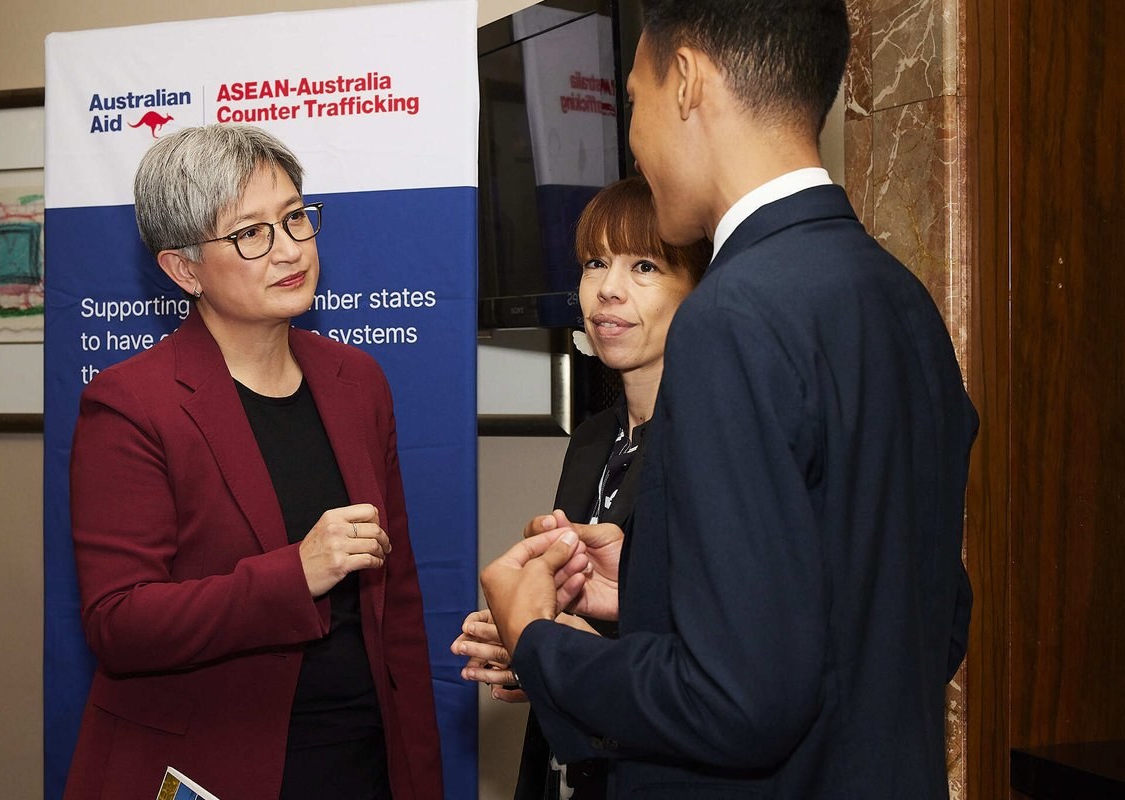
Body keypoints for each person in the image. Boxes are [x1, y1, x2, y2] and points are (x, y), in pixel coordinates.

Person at [478, 1, 979, 798]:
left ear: (685, 83)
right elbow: (925, 615)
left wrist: (538, 640)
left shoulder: (730, 315)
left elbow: (739, 700)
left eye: (634, 103)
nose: (636, 147)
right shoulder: (903, 301)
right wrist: (648, 581)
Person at [63, 124, 442, 800]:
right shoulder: (129, 404)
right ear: (183, 270)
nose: (290, 249)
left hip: (363, 757)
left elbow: (398, 603)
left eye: (296, 218)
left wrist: (417, 769)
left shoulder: (357, 381)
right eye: (250, 234)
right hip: (218, 765)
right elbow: (119, 622)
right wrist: (294, 576)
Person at [452, 176, 710, 800]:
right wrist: (528, 648)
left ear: (701, 290)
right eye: (596, 263)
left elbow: (714, 662)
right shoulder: (595, 436)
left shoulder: (711, 441)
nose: (608, 289)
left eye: (644, 266)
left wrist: (546, 643)